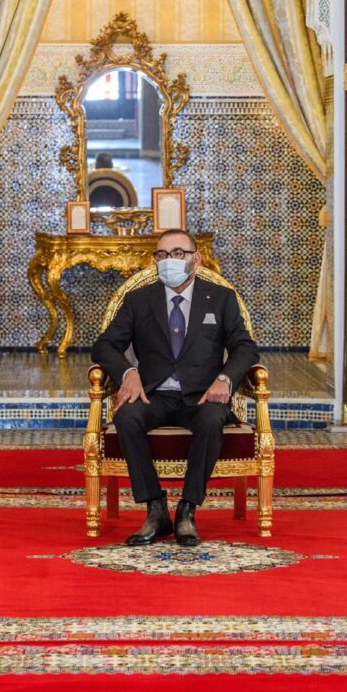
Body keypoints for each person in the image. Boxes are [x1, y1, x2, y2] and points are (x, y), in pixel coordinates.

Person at [91, 229, 259, 547]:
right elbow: (104, 347)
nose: (170, 261)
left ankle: (187, 510)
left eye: (178, 254)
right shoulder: (139, 300)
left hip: (203, 396)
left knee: (211, 420)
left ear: (195, 259)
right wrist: (128, 372)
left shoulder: (221, 298)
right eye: (162, 255)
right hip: (154, 394)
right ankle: (155, 509)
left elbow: (245, 348)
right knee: (126, 417)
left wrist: (225, 379)